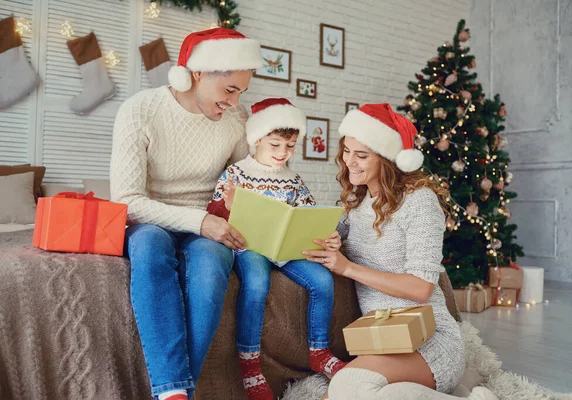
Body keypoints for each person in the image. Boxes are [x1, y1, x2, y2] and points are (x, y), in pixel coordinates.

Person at [303, 104, 498, 400]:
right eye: (346, 151)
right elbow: (325, 236)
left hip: (428, 340)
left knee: (346, 387)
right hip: (382, 338)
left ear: (386, 158)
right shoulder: (356, 202)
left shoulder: (419, 202)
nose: (349, 162)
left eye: (362, 155)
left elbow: (421, 288)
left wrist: (347, 268)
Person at [110, 28, 262, 400]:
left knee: (212, 263)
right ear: (198, 73)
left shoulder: (235, 120)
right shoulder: (140, 110)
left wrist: (244, 198)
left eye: (241, 91)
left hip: (207, 227)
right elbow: (127, 200)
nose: (235, 101)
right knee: (148, 246)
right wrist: (201, 221)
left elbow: (248, 181)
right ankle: (177, 390)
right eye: (229, 90)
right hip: (150, 220)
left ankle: (174, 392)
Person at [206, 98, 347, 400]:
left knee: (322, 280)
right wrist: (227, 207)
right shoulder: (236, 173)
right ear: (257, 139)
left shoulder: (293, 180)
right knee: (257, 283)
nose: (283, 153)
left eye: (291, 146)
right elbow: (213, 215)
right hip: (250, 246)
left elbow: (309, 216)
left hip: (285, 249)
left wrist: (330, 235)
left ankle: (318, 351)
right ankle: (250, 362)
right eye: (276, 145)